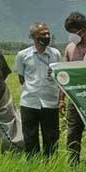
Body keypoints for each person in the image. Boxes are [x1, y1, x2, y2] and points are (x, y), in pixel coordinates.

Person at [14, 22, 62, 158]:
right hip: (29, 102)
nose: (47, 36)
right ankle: (33, 165)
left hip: (50, 101)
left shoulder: (56, 54)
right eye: (43, 34)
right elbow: (21, 78)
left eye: (48, 33)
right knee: (30, 137)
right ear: (33, 36)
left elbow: (60, 77)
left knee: (51, 137)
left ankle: (51, 165)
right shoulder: (22, 55)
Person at [61, 12, 86, 166]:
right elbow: (63, 75)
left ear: (83, 30)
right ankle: (72, 165)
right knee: (72, 133)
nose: (72, 37)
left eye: (73, 33)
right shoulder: (70, 48)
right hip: (75, 100)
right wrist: (61, 99)